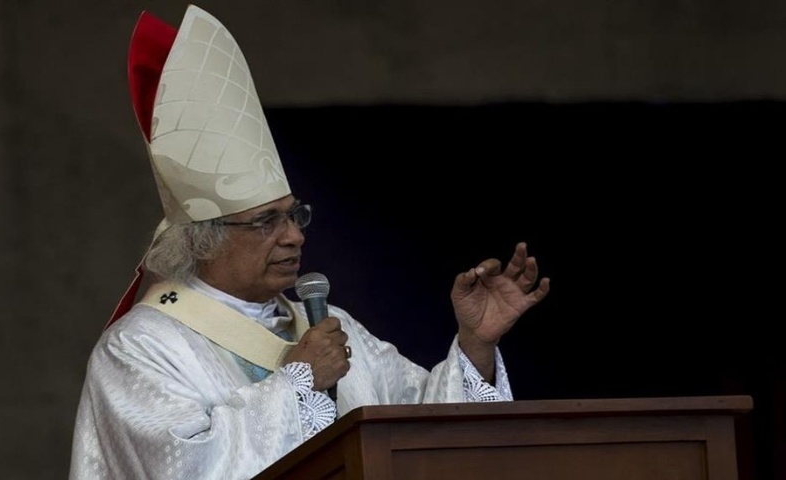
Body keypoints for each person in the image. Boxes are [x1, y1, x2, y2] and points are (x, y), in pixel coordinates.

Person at [69, 5, 550, 479]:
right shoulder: (141, 348)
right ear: (203, 240)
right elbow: (183, 468)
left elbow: (422, 433)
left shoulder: (331, 324)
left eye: (294, 216)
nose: (295, 235)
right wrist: (299, 384)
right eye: (266, 222)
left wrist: (474, 346)